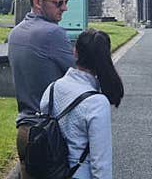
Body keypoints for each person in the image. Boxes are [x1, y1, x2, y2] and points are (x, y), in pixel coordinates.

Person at [8, 0, 75, 179]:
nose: (64, 8)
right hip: (49, 134)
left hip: (25, 130)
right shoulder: (52, 33)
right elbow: (79, 76)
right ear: (38, 2)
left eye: (66, 1)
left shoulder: (16, 33)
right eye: (59, 3)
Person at [40, 29, 124, 179]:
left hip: (51, 171)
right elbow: (101, 163)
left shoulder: (53, 88)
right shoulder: (97, 103)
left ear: (75, 52)